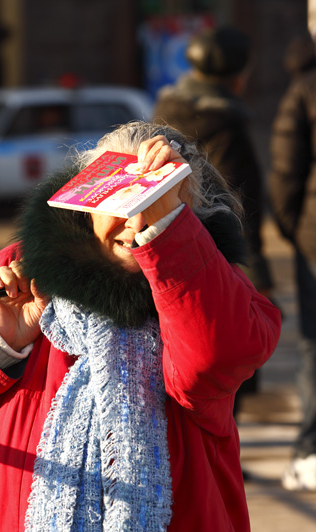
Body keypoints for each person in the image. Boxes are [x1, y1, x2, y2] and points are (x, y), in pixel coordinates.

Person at [0, 121, 281, 532]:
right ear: (88, 202)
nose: (135, 219)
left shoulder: (212, 286)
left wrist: (167, 234)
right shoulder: (22, 267)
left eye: (160, 201)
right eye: (123, 198)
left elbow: (211, 359)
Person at [153, 26, 275, 412]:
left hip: (159, 253)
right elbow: (239, 209)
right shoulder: (228, 125)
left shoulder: (163, 113)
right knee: (220, 377)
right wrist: (259, 276)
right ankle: (219, 468)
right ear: (239, 77)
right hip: (213, 264)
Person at [269, 34, 316, 491]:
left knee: (313, 344)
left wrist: (295, 230)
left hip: (315, 240)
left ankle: (309, 451)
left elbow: (285, 172)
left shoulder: (304, 89)